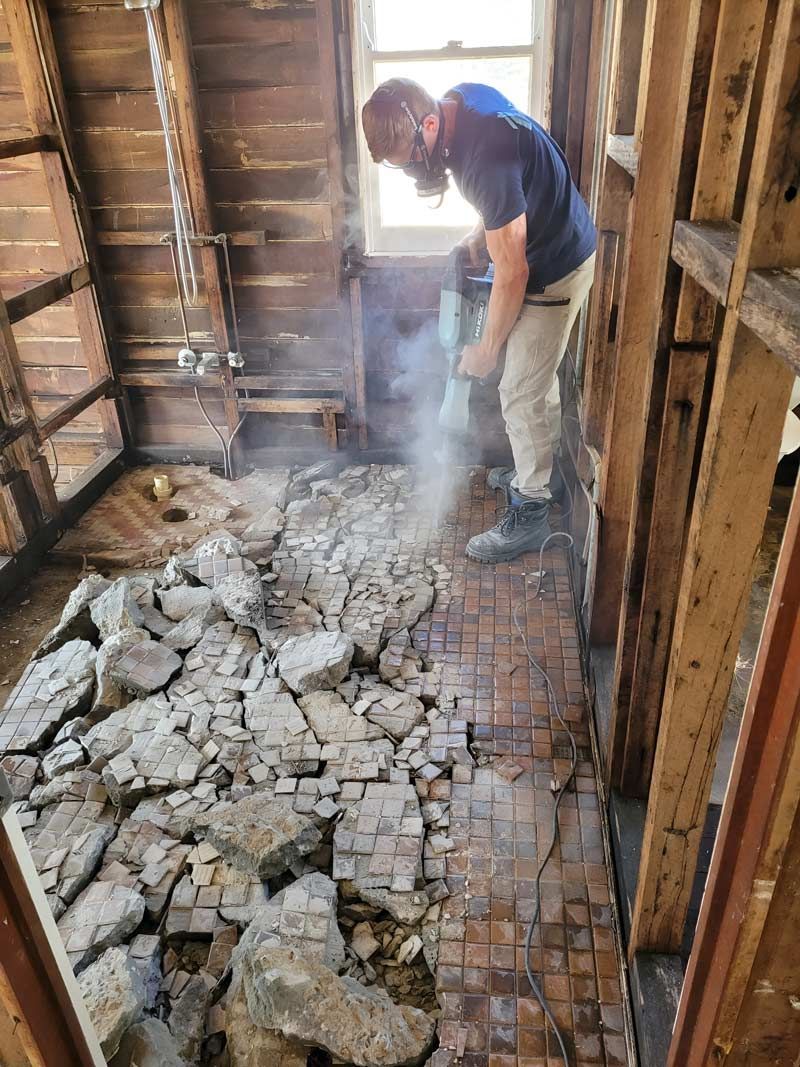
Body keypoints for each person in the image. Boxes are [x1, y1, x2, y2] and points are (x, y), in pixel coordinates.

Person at [361, 79, 597, 563]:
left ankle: (531, 511)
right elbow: (513, 191)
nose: (411, 171)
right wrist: (478, 237)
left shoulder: (480, 160)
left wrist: (486, 349)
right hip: (549, 241)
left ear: (429, 124)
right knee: (534, 379)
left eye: (409, 158)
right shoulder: (462, 100)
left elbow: (513, 271)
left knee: (520, 390)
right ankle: (542, 471)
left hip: (554, 267)